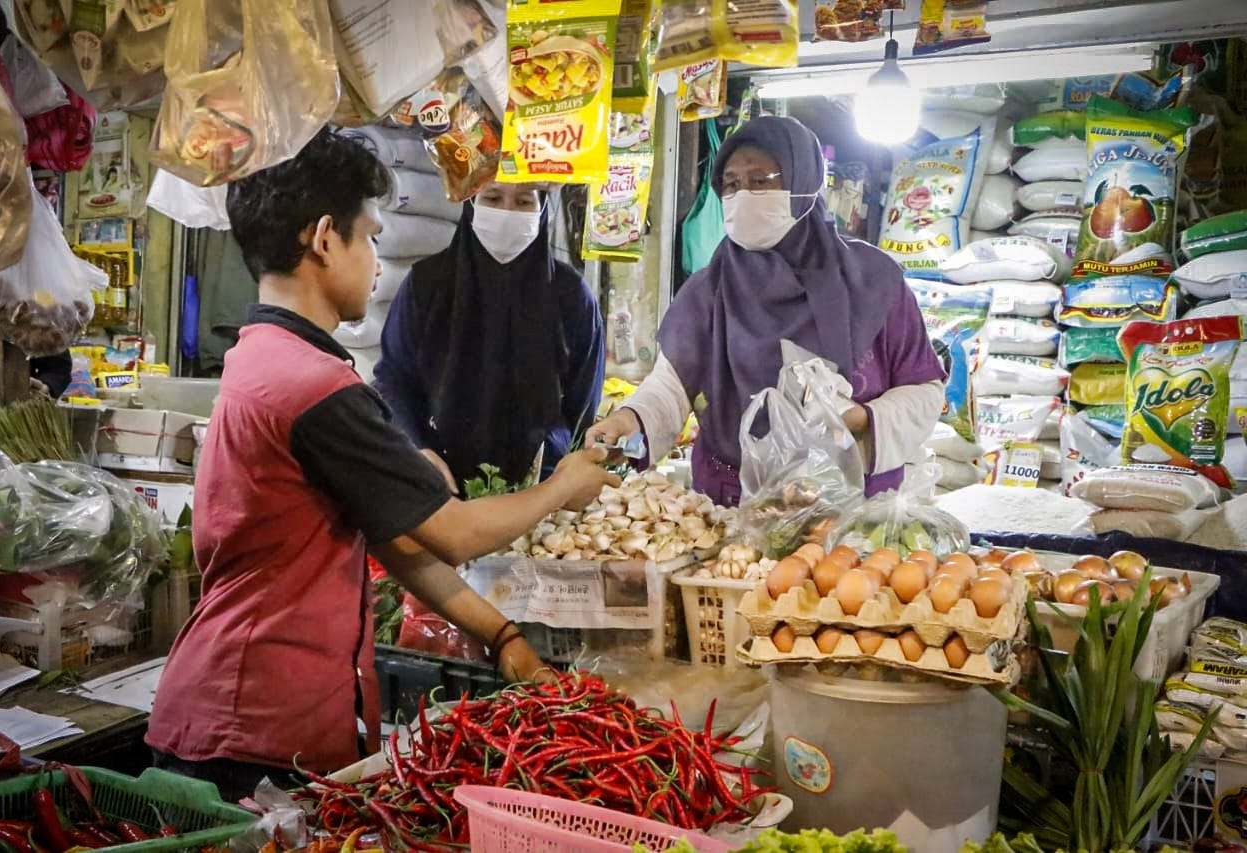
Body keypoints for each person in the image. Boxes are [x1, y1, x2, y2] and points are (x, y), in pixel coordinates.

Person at [146, 129, 618, 801]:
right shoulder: (315, 387)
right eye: (368, 236)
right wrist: (561, 485)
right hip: (253, 725)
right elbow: (453, 532)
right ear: (322, 239)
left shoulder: (264, 352)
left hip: (241, 707)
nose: (376, 260)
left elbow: (399, 541)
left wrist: (502, 633)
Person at [587, 116, 946, 506]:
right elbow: (669, 389)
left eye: (761, 181)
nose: (743, 196)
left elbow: (924, 390)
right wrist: (626, 421)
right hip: (737, 507)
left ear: (803, 182)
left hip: (852, 507)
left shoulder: (874, 281)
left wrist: (858, 419)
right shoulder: (709, 290)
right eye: (731, 185)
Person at [372, 180, 604, 495]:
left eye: (524, 202)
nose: (507, 213)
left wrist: (559, 470)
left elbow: (583, 402)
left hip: (541, 491)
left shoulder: (571, 294)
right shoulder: (427, 284)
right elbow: (393, 379)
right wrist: (418, 448)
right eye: (492, 198)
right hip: (440, 484)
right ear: (470, 203)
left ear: (543, 208)